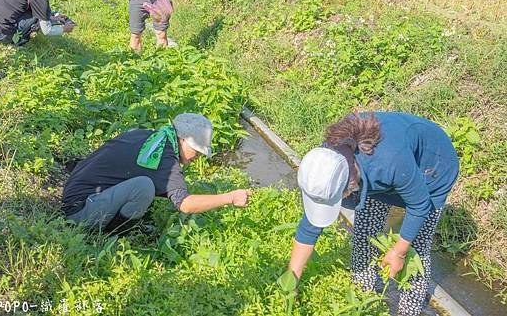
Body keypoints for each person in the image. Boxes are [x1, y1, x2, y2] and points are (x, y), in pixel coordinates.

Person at [287, 112, 459, 316]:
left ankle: (408, 310)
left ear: (350, 185)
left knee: (416, 250)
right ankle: (361, 297)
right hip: (385, 168)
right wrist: (291, 281)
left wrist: (399, 251)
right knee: (364, 234)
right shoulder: (326, 162)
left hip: (432, 168)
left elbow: (420, 205)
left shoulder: (388, 163)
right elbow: (310, 225)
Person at [62, 113, 251, 232]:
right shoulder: (164, 157)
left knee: (147, 185)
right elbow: (185, 204)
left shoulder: (149, 139)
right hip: (80, 213)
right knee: (143, 187)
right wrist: (230, 198)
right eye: (197, 150)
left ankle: (117, 224)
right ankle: (114, 233)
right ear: (182, 140)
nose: (198, 157)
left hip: (77, 195)